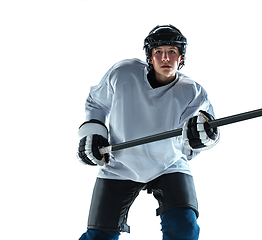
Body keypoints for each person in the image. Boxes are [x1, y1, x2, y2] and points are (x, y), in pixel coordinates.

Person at [77, 25, 220, 240]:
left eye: (172, 51)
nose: (165, 58)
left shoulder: (192, 91)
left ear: (181, 58)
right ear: (150, 58)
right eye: (158, 52)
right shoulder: (122, 73)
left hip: (169, 163)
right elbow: (96, 102)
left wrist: (202, 136)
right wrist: (94, 132)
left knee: (184, 230)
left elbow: (205, 129)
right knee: (99, 236)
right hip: (119, 165)